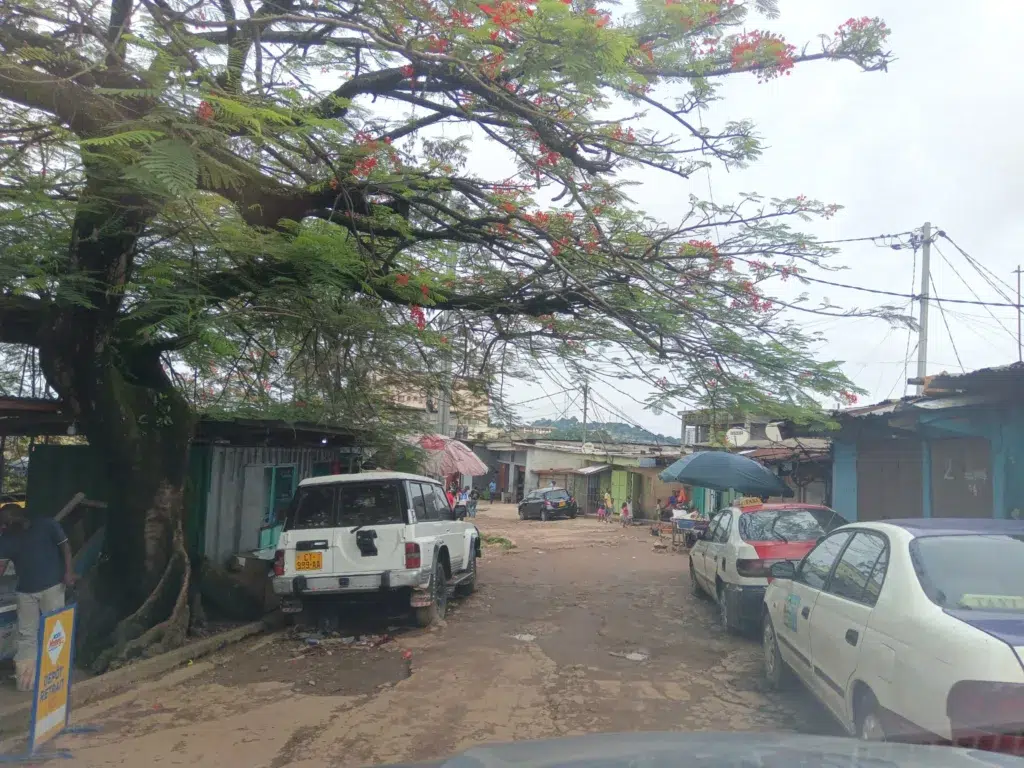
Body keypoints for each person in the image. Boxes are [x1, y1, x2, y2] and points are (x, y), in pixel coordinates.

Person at [0, 504, 75, 692]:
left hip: (53, 587)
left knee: (56, 631)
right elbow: (1, 567)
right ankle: (27, 682)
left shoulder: (47, 525)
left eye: (6, 522)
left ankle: (56, 677)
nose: (3, 527)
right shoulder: (6, 538)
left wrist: (69, 572)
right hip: (25, 592)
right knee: (27, 635)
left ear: (17, 517)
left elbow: (65, 547)